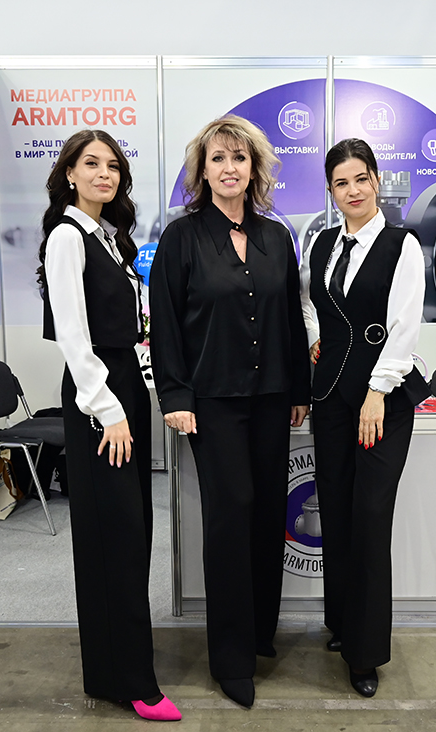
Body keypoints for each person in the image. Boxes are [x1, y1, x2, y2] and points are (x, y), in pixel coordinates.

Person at [150, 115, 311, 709]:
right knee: (230, 515)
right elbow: (165, 323)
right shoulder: (181, 238)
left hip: (272, 398)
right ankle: (231, 656)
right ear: (202, 170)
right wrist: (175, 396)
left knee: (268, 512)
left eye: (238, 157)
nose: (228, 168)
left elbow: (290, 320)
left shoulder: (276, 237)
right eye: (217, 158)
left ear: (255, 167)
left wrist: (299, 389)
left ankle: (260, 633)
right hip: (212, 403)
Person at [37, 129, 180, 722]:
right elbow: (74, 337)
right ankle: (133, 682)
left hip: (123, 387)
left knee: (128, 534)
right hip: (100, 399)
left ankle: (113, 666)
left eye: (113, 165)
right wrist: (110, 410)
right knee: (114, 539)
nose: (104, 174)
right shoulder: (67, 237)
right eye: (91, 163)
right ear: (69, 173)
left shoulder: (112, 237)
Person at [300, 138, 429, 698]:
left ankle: (366, 652)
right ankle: (342, 624)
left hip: (383, 402)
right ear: (331, 191)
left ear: (376, 180)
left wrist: (377, 392)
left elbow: (403, 326)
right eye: (340, 183)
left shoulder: (403, 245)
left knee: (370, 519)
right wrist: (315, 338)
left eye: (360, 179)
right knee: (335, 511)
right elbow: (309, 302)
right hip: (331, 396)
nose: (352, 191)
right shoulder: (323, 244)